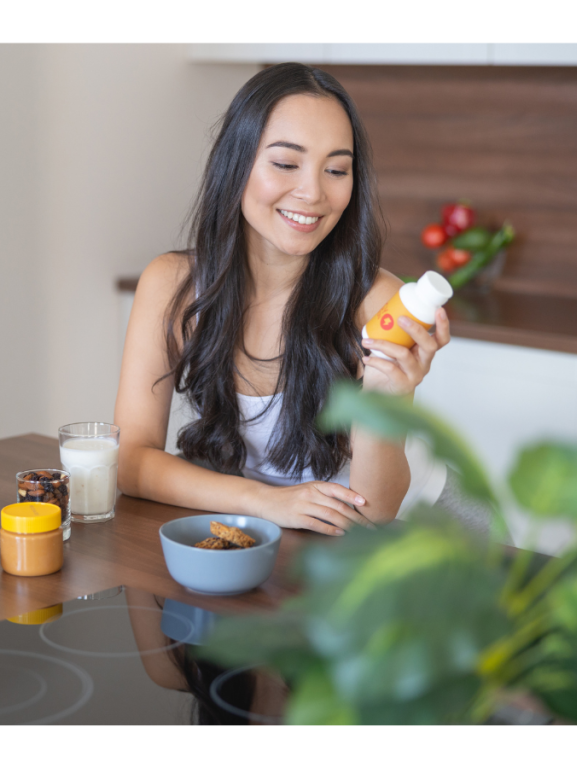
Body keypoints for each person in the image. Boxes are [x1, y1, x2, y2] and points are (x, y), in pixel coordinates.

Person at [114, 63, 450, 536]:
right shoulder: (171, 285)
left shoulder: (378, 303)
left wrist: (384, 397)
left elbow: (375, 510)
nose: (313, 193)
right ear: (237, 163)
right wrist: (266, 502)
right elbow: (130, 462)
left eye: (336, 170)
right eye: (286, 163)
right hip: (278, 528)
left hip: (415, 534)